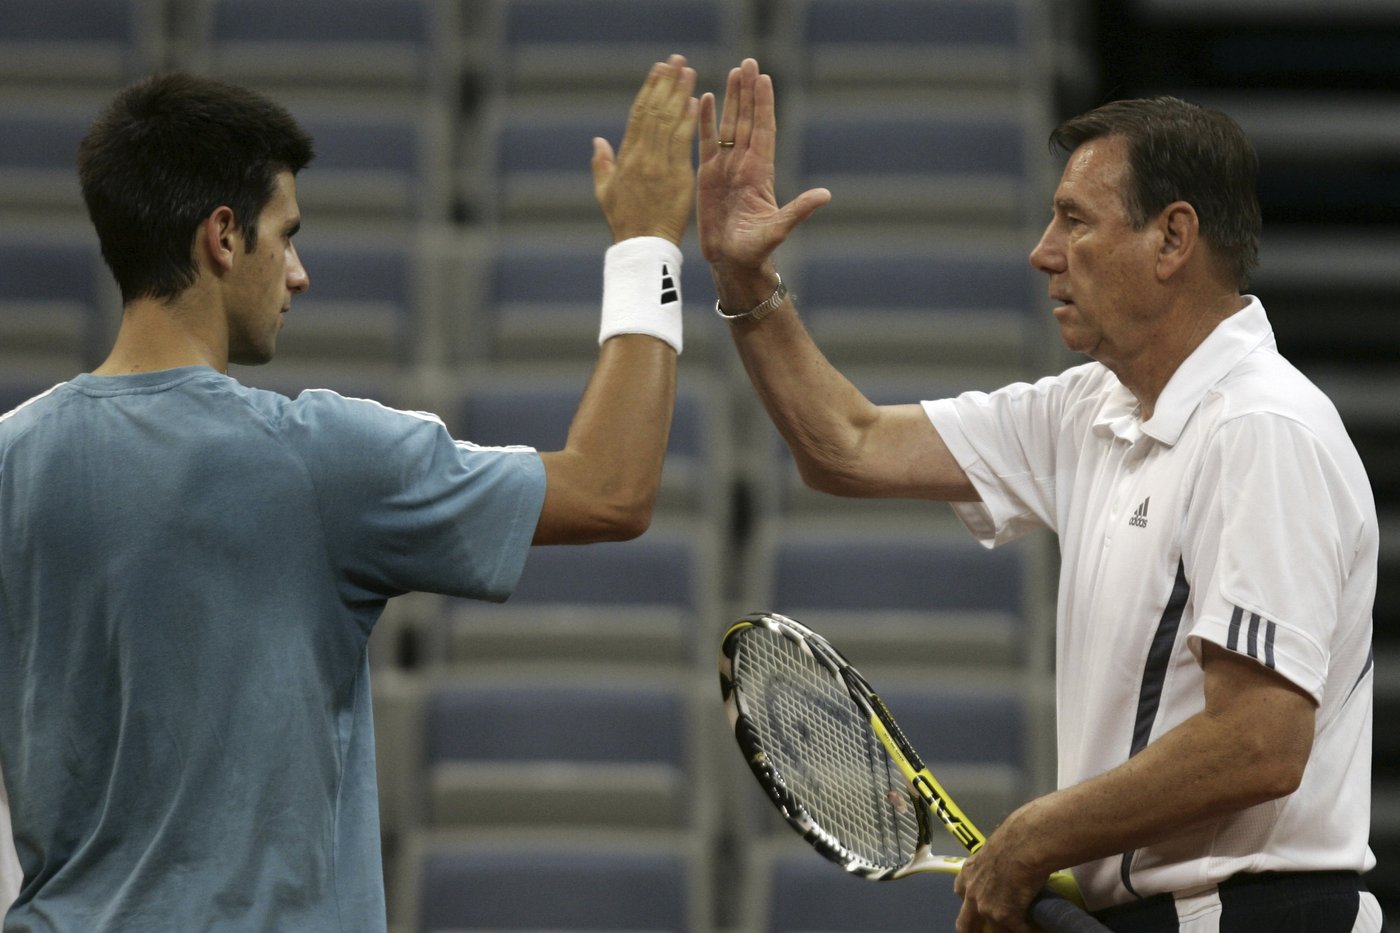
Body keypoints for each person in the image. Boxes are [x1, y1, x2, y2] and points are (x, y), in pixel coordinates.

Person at [0, 56, 698, 931]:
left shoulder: (8, 458)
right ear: (223, 237)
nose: (298, 274)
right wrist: (649, 244)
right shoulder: (313, 461)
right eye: (286, 234)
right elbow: (611, 488)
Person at [697, 58, 1380, 932]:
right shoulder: (1089, 407)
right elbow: (849, 445)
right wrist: (744, 281)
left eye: (1074, 221)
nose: (1042, 252)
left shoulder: (1261, 429)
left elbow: (1259, 742)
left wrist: (1032, 837)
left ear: (1172, 240)